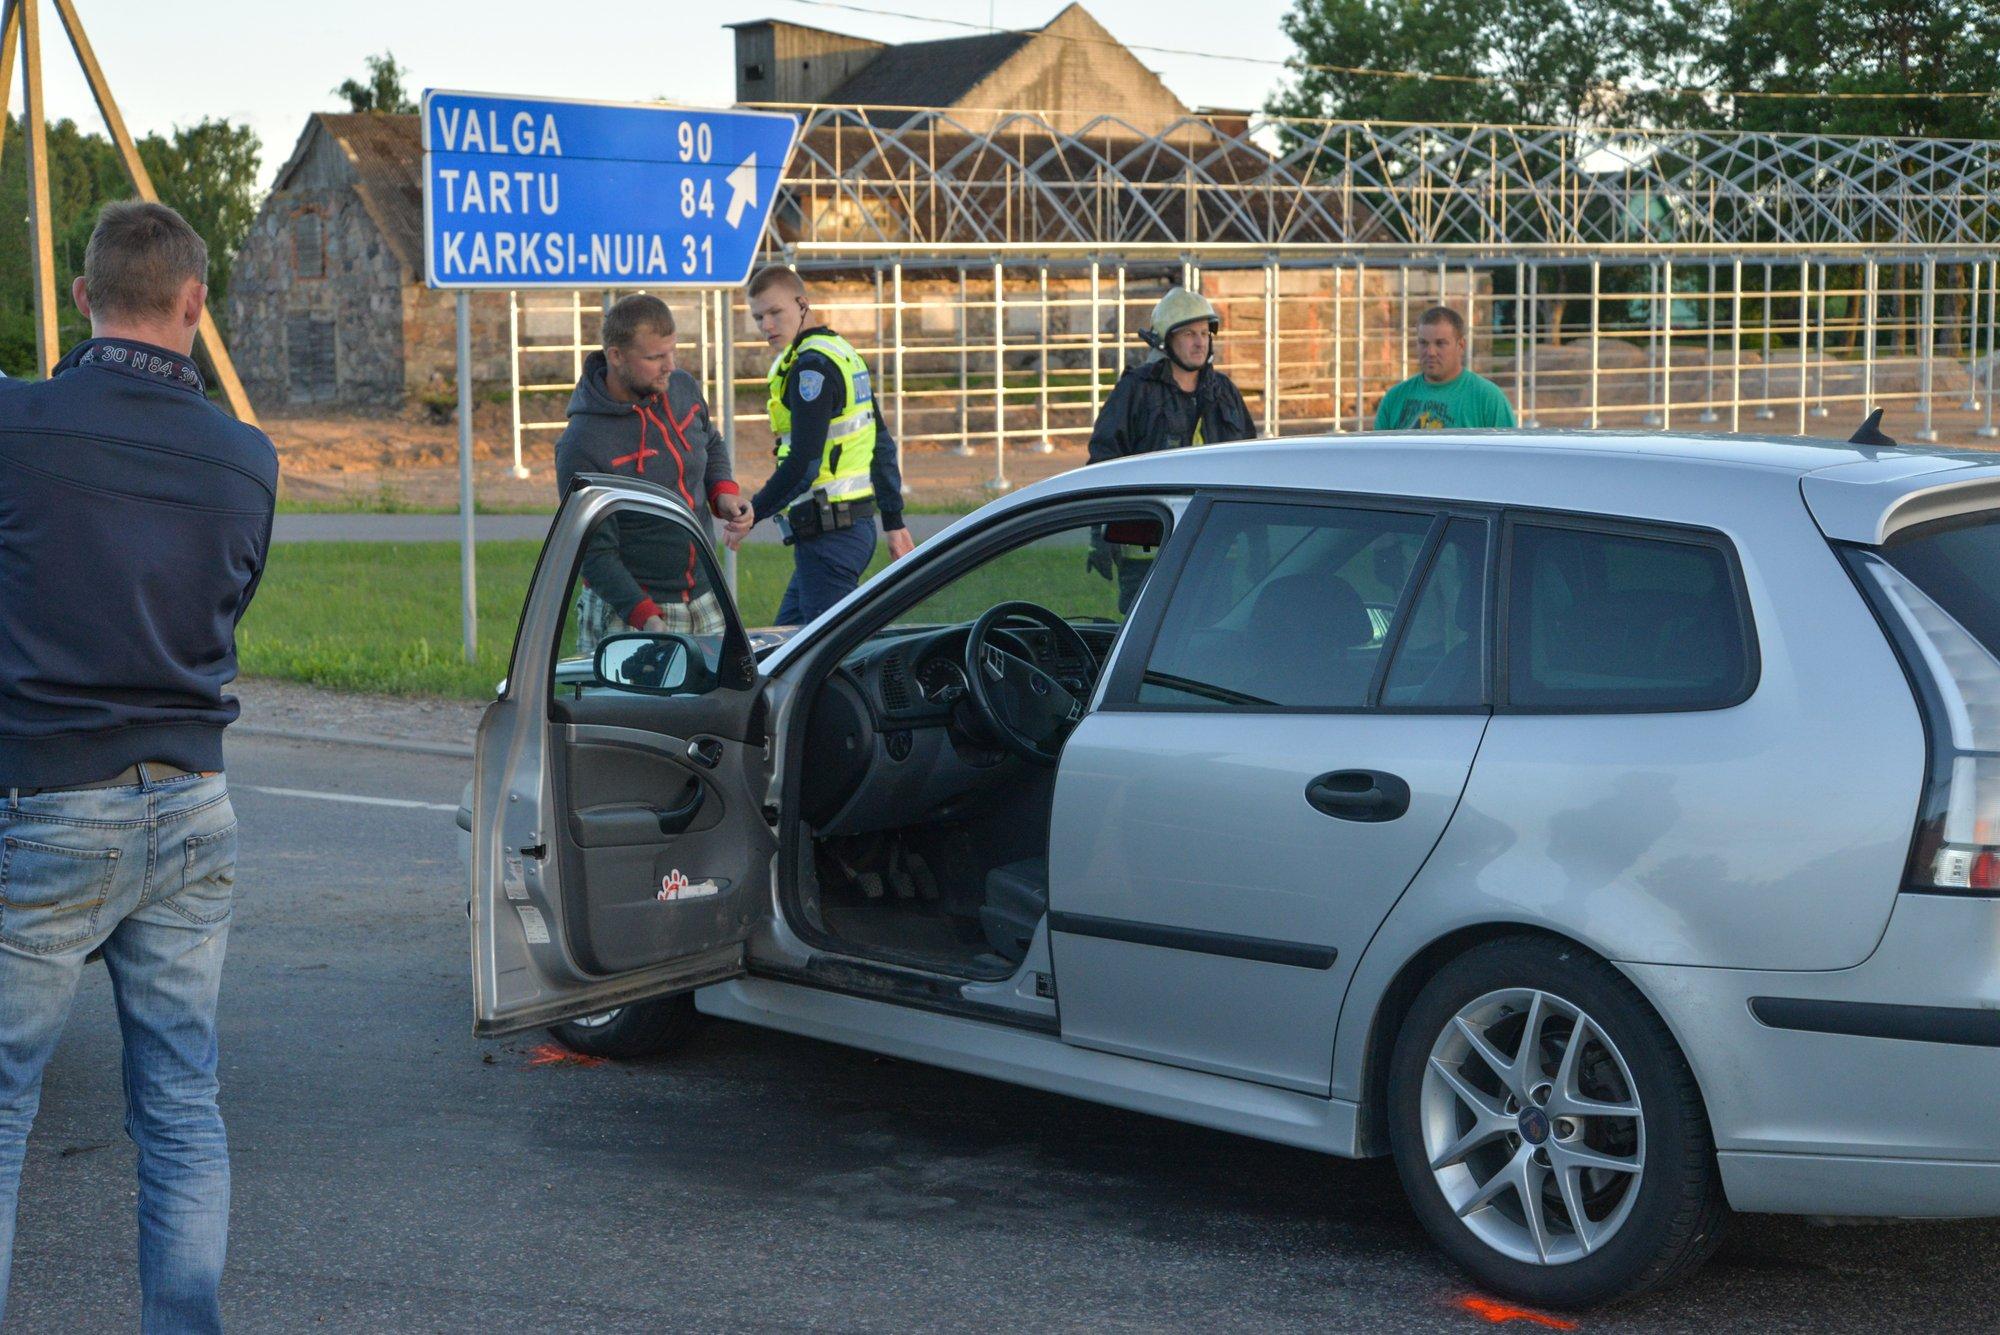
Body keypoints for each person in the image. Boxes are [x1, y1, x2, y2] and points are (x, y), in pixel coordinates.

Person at [0, 200, 278, 1331]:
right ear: (193, 301)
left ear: (81, 297)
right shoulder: (247, 456)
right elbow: (229, 602)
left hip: (49, 796)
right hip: (194, 799)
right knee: (179, 1103)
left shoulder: (17, 425)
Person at [554, 294, 750, 656]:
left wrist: (724, 493)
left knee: (724, 707)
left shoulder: (682, 388)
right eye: (655, 357)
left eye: (672, 352)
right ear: (616, 356)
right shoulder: (581, 443)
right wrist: (646, 616)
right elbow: (591, 551)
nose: (670, 366)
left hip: (706, 595)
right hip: (633, 611)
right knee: (629, 716)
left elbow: (709, 440)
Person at [723, 266, 912, 625]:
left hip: (832, 536)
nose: (767, 326)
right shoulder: (840, 352)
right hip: (840, 532)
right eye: (758, 317)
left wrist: (754, 513)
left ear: (803, 303)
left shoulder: (811, 368)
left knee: (820, 663)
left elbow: (804, 463)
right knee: (785, 645)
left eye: (775, 313)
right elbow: (881, 443)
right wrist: (893, 522)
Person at [1085, 286, 1255, 611]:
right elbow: (1104, 461)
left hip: (1216, 546)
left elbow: (1250, 466)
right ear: (1165, 339)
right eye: (1189, 332)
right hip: (1148, 546)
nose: (1199, 341)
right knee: (1147, 640)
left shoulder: (1225, 393)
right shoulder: (1136, 392)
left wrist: (1256, 543)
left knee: (1209, 634)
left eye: (1205, 333)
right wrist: (1099, 535)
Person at [1372, 305, 1516, 431]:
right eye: (1423, 343)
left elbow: (1508, 456)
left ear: (1460, 346)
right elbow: (1378, 456)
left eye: (1440, 343)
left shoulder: (1488, 399)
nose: (1430, 352)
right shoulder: (1395, 398)